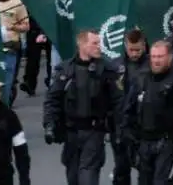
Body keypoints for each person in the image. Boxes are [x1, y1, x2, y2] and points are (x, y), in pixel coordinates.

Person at [43, 29, 123, 185]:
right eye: (94, 43)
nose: (99, 46)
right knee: (73, 177)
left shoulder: (107, 71)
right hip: (71, 133)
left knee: (88, 176)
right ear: (82, 45)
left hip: (94, 131)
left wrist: (119, 130)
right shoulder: (65, 70)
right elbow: (52, 99)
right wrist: (49, 125)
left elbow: (118, 102)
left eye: (99, 43)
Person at [120, 40, 173, 184]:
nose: (156, 60)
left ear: (169, 58)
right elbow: (128, 111)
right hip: (144, 141)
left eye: (160, 56)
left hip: (169, 142)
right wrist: (129, 137)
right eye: (153, 56)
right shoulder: (141, 79)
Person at [110, 29, 149, 185]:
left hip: (143, 125)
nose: (134, 53)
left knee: (144, 167)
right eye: (131, 49)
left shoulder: (152, 65)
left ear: (144, 46)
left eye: (137, 50)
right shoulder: (115, 67)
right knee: (121, 167)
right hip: (120, 124)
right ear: (125, 46)